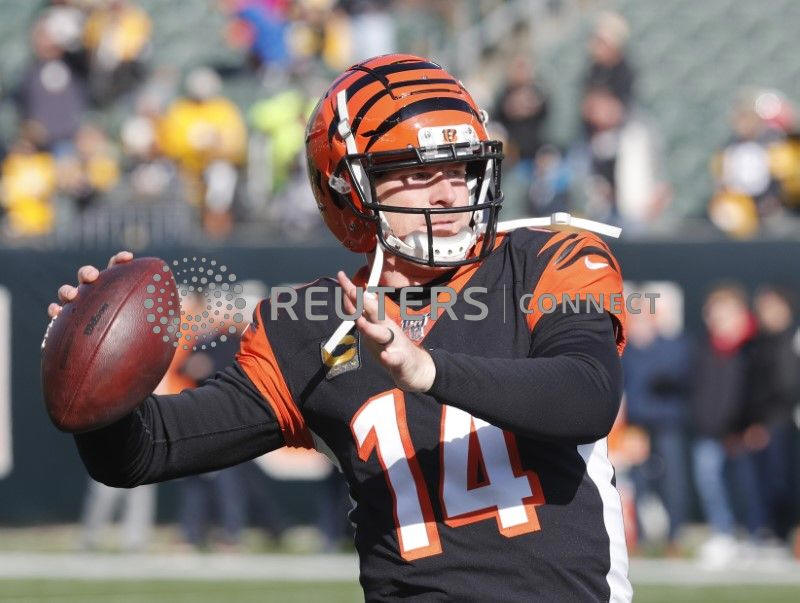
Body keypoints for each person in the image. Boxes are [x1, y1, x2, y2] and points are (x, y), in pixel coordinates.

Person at [47, 55, 631, 601]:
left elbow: (587, 397)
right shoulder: (311, 324)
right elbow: (142, 453)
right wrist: (86, 371)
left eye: (460, 167)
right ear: (348, 189)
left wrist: (428, 369)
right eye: (417, 172)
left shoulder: (548, 260)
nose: (449, 193)